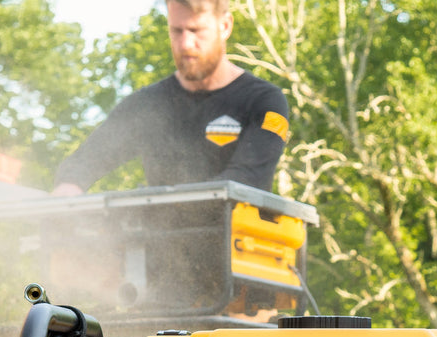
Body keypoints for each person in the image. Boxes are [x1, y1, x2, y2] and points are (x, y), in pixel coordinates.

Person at [53, 0, 289, 195]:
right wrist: (69, 186)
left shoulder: (264, 103)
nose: (186, 44)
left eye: (196, 31)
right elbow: (85, 160)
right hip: (155, 247)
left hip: (238, 245)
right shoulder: (146, 105)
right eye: (177, 31)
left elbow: (246, 181)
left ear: (225, 26)